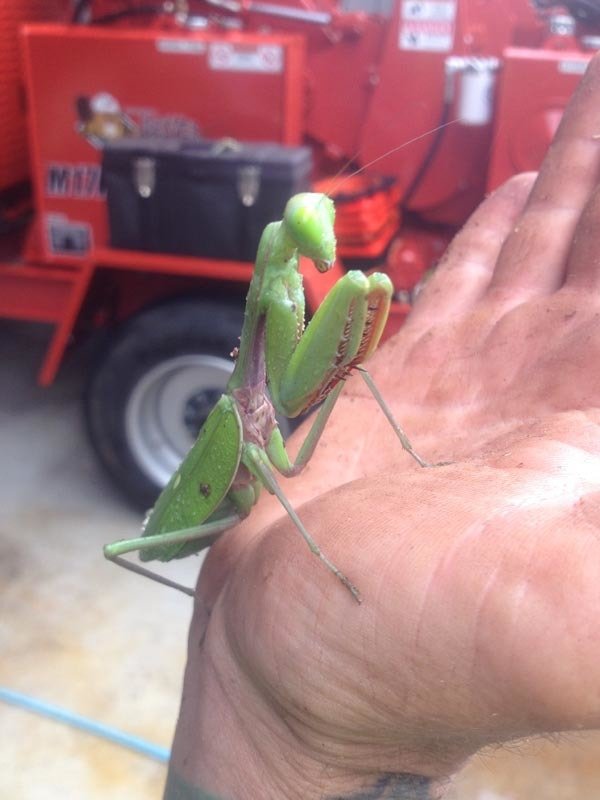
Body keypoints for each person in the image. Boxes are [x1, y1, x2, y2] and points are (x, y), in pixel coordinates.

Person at [164, 52, 600, 800]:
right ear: (286, 250)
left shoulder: (283, 290)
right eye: (314, 231)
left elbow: (321, 379)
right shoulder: (270, 317)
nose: (326, 243)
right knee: (140, 536)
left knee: (352, 371)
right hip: (195, 506)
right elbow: (297, 390)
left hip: (250, 476)